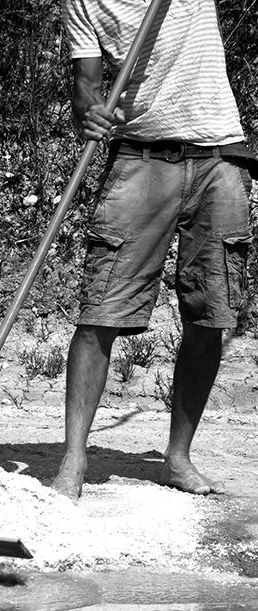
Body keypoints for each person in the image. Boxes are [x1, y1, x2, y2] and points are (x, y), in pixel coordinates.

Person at [53, 0, 257, 501]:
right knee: (101, 308)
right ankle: (73, 459)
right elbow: (86, 84)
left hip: (219, 157)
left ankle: (177, 457)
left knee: (210, 314)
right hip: (140, 159)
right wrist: (89, 112)